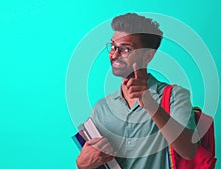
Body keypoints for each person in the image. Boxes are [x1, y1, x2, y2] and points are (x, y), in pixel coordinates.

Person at [76, 13, 197, 169]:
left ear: (148, 55)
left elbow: (188, 151)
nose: (114, 55)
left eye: (126, 49)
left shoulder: (175, 96)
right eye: (113, 46)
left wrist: (150, 105)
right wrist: (82, 164)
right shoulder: (101, 109)